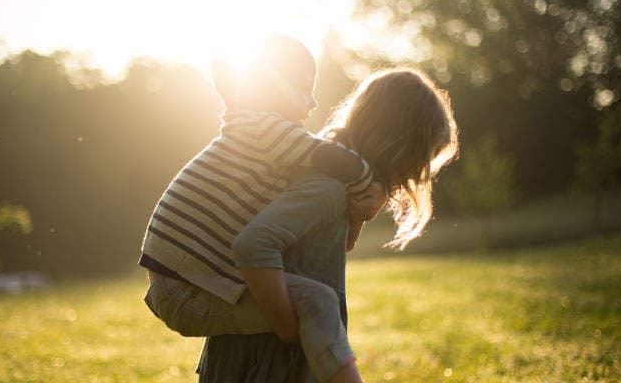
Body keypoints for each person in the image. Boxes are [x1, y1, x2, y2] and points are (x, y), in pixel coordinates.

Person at [139, 33, 386, 382]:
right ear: (270, 87)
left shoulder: (250, 135)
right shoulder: (263, 130)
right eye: (304, 88)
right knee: (318, 301)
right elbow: (334, 159)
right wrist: (368, 184)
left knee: (312, 300)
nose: (313, 102)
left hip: (184, 284)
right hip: (188, 290)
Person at [195, 66, 460, 382]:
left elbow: (332, 245)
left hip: (275, 352)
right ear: (396, 144)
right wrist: (288, 327)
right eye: (421, 158)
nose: (417, 174)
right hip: (265, 357)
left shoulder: (335, 186)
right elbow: (253, 244)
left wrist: (363, 206)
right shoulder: (325, 188)